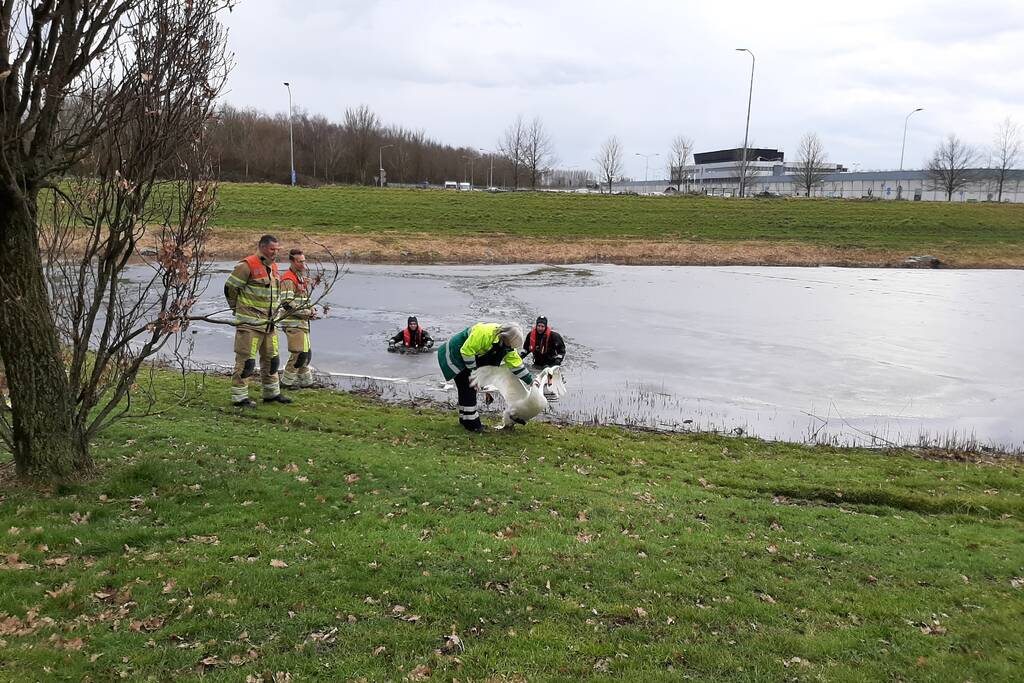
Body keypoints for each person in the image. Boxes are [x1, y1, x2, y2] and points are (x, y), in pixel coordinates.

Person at [223, 234, 292, 408]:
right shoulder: (247, 265)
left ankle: (271, 393)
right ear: (262, 247)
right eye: (272, 249)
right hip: (250, 324)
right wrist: (237, 310)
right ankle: (239, 398)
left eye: (277, 250)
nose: (275, 253)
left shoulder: (273, 267)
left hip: (269, 324)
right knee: (246, 362)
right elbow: (230, 288)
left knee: (272, 359)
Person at [437, 322, 532, 432]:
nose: (510, 347)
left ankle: (465, 420)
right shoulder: (484, 333)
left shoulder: (507, 346)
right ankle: (473, 426)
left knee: (466, 389)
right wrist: (474, 373)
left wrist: (531, 381)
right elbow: (467, 351)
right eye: (510, 344)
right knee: (469, 388)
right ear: (505, 337)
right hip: (454, 353)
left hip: (467, 356)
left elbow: (516, 365)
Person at [279, 248, 318, 389]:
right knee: (298, 353)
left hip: (302, 321)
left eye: (304, 261)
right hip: (293, 322)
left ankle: (307, 382)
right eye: (299, 261)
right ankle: (286, 383)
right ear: (292, 261)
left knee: (305, 353)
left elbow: (305, 299)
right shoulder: (288, 278)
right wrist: (306, 313)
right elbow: (287, 303)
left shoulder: (301, 277)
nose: (303, 264)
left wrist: (312, 310)